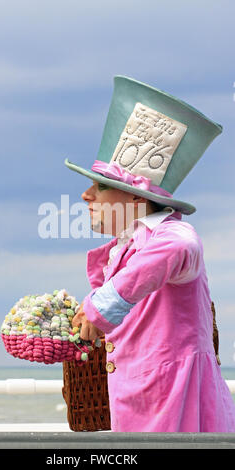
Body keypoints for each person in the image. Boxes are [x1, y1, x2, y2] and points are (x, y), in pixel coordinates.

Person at [65, 76, 235, 432]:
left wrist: (103, 305)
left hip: (177, 410)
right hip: (140, 406)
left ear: (136, 199)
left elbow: (178, 247)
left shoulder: (172, 233)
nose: (86, 196)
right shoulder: (126, 245)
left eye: (100, 187)